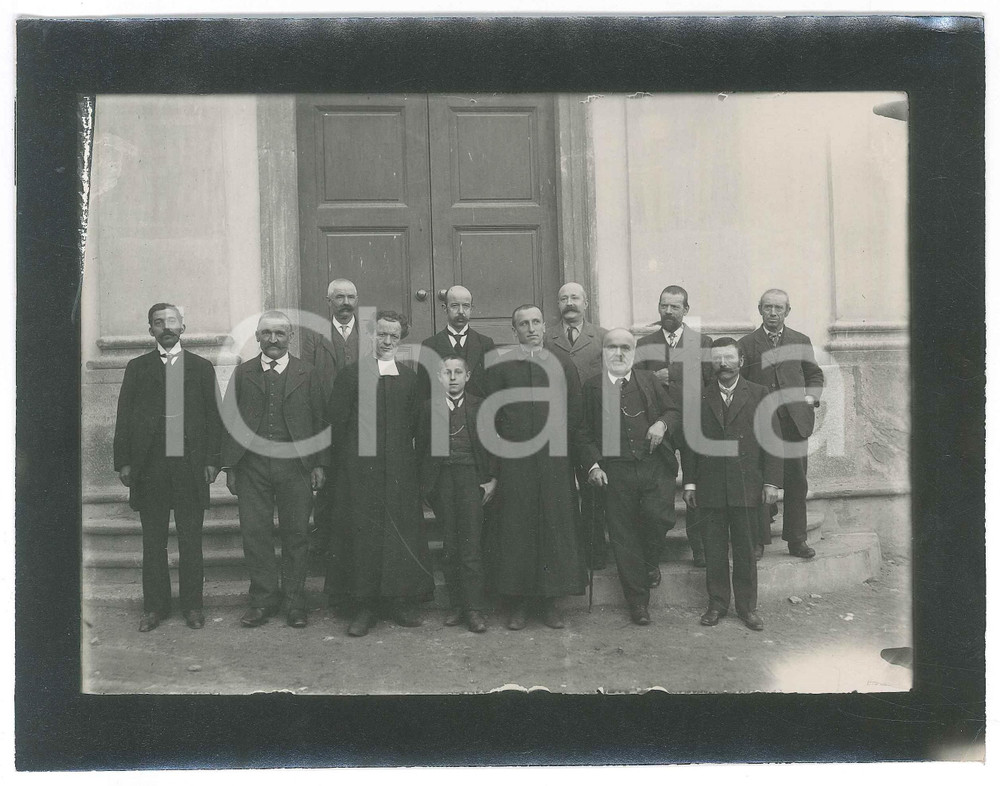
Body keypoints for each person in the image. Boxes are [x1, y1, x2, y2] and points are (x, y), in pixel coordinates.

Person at [113, 303, 222, 632]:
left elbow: (215, 419)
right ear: (151, 331)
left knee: (191, 539)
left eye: (172, 321)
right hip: (151, 468)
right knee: (153, 541)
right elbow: (124, 417)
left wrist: (213, 461)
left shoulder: (202, 368)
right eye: (159, 323)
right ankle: (154, 608)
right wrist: (125, 462)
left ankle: (193, 606)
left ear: (183, 328)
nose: (166, 327)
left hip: (189, 467)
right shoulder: (136, 368)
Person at [329, 310, 435, 637]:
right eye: (382, 335)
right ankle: (365, 606)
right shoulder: (351, 376)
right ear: (371, 336)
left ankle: (399, 602)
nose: (387, 341)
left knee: (400, 535)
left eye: (394, 336)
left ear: (401, 339)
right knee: (364, 535)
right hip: (360, 473)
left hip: (400, 472)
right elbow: (338, 426)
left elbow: (419, 426)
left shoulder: (410, 378)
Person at [222, 311, 329, 629]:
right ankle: (263, 600)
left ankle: (296, 602)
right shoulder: (243, 373)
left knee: (296, 534)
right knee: (255, 534)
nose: (272, 339)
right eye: (266, 333)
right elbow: (230, 418)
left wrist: (320, 464)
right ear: (257, 337)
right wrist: (230, 467)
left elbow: (321, 421)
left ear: (289, 337)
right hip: (252, 467)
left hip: (295, 466)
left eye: (279, 333)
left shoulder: (306, 373)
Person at [483, 305, 587, 630]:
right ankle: (519, 602)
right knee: (516, 529)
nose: (531, 329)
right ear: (514, 331)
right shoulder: (500, 366)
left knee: (553, 527)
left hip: (554, 462)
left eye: (536, 322)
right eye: (523, 324)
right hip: (513, 462)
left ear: (544, 326)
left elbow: (576, 412)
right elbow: (488, 415)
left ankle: (549, 602)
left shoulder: (563, 363)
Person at [679, 337, 782, 631]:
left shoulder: (761, 395)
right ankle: (717, 604)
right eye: (718, 359)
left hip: (747, 486)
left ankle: (747, 608)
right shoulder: (699, 397)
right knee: (714, 550)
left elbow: (772, 442)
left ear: (740, 361)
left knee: (746, 550)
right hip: (710, 487)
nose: (723, 364)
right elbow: (690, 446)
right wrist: (690, 484)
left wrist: (771, 482)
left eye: (729, 358)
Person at [577, 329, 677, 625]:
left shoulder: (648, 381)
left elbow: (673, 410)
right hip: (615, 471)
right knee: (623, 536)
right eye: (612, 347)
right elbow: (581, 433)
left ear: (634, 352)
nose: (618, 353)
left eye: (625, 347)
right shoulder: (592, 388)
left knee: (658, 518)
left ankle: (650, 562)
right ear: (603, 353)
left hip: (652, 466)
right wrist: (593, 466)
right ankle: (638, 602)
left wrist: (661, 423)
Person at [738, 289, 824, 560]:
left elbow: (814, 374)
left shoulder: (800, 340)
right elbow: (739, 382)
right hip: (761, 425)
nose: (772, 313)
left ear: (787, 311)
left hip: (794, 423)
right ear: (759, 309)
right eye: (767, 308)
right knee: (760, 481)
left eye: (778, 308)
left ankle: (797, 540)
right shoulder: (747, 343)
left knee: (797, 482)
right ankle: (759, 541)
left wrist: (810, 399)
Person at [417, 354, 498, 633]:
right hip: (442, 481)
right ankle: (456, 605)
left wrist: (492, 480)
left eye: (458, 372)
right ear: (439, 377)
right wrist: (426, 485)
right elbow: (421, 449)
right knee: (450, 544)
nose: (453, 378)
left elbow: (493, 447)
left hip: (471, 479)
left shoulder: (480, 406)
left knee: (471, 545)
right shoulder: (428, 408)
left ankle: (474, 608)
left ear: (467, 376)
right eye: (447, 373)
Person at [635, 284, 713, 567]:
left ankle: (700, 549)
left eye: (675, 307)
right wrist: (656, 377)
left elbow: (710, 385)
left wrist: (675, 373)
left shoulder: (703, 343)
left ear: (686, 310)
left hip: (694, 425)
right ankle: (653, 557)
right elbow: (637, 385)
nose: (668, 312)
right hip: (659, 428)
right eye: (663, 306)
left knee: (697, 488)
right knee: (658, 494)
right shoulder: (644, 345)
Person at [299, 278, 360, 611]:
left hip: (361, 422)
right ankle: (325, 549)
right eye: (339, 297)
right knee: (328, 485)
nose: (345, 302)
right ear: (328, 301)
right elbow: (307, 376)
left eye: (351, 297)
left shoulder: (368, 332)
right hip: (326, 418)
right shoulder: (314, 336)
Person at [546, 282, 610, 570]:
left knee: (593, 490)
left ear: (586, 303)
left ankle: (594, 553)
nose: (569, 303)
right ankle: (566, 554)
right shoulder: (546, 337)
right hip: (557, 423)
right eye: (563, 298)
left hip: (592, 425)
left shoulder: (603, 337)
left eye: (575, 298)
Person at [417, 285, 495, 400]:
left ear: (471, 309)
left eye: (466, 306)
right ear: (445, 308)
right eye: (454, 306)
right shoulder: (430, 345)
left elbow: (494, 388)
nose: (461, 311)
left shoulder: (485, 344)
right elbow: (423, 391)